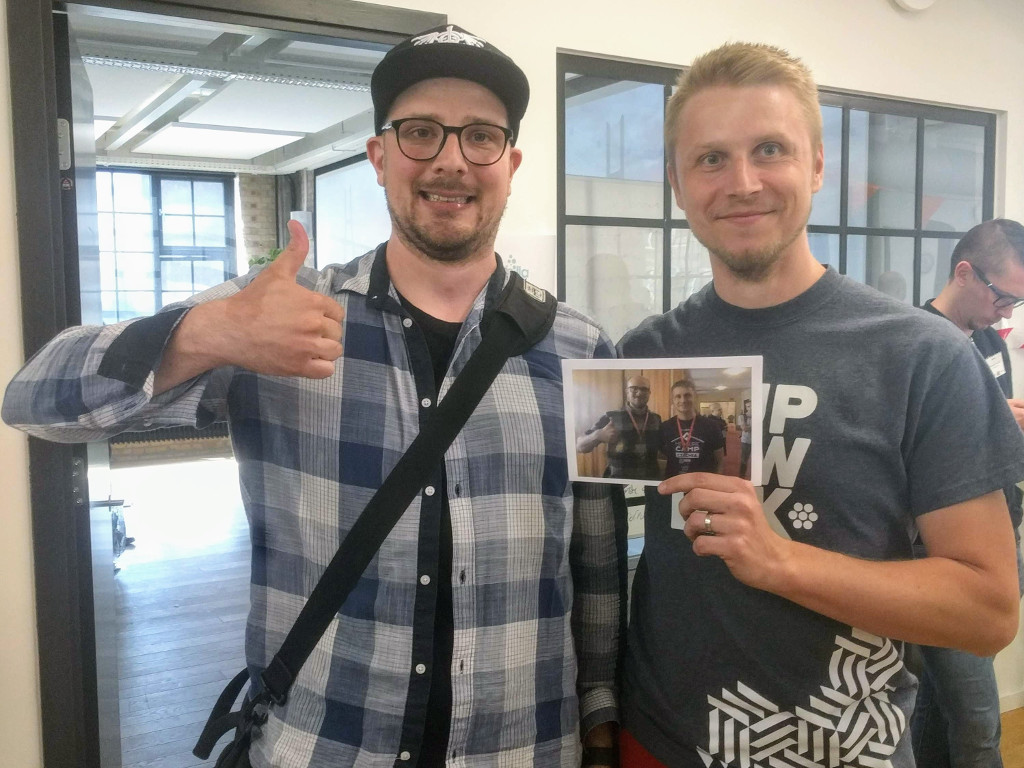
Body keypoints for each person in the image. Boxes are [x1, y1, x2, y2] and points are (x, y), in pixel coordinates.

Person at [2, 24, 623, 768]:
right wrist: (207, 333)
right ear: (379, 155)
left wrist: (600, 721)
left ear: (511, 163)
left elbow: (599, 560)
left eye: (481, 137)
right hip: (322, 746)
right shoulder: (276, 314)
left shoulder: (583, 347)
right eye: (421, 132)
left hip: (524, 749)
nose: (452, 159)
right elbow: (33, 400)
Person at [616, 41, 1023, 768]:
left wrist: (779, 561)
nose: (741, 182)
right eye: (710, 159)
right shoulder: (647, 351)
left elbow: (988, 613)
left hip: (843, 749)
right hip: (661, 742)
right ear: (678, 184)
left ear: (817, 166)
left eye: (769, 149)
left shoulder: (919, 354)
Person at [912, 218, 1024, 768]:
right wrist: (986, 417)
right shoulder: (909, 340)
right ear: (964, 272)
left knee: (939, 707)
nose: (1008, 311)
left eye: (1017, 302)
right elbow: (900, 452)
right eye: (1003, 296)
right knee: (980, 722)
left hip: (1001, 535)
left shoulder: (988, 343)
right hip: (942, 560)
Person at [577, 374, 663, 480]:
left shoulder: (656, 419)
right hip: (619, 483)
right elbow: (580, 447)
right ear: (627, 391)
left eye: (644, 389)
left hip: (650, 481)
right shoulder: (611, 417)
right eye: (634, 388)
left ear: (649, 393)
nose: (639, 393)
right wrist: (598, 435)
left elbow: (664, 447)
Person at [658, 378, 724, 478]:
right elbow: (661, 456)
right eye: (678, 396)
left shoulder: (712, 426)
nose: (683, 400)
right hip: (674, 484)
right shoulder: (665, 427)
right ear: (673, 400)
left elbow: (720, 460)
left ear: (695, 397)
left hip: (702, 485)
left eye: (687, 395)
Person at [736, 398, 752, 480]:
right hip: (746, 441)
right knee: (744, 460)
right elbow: (744, 428)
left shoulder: (760, 416)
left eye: (752, 406)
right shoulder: (742, 416)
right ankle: (741, 477)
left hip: (757, 442)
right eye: (748, 406)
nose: (750, 408)